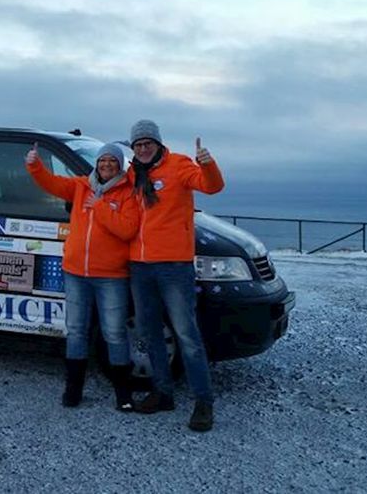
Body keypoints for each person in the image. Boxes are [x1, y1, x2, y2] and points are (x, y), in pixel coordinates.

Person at [125, 119, 224, 432]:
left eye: (147, 143)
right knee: (149, 332)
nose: (143, 149)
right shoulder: (132, 174)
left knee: (186, 335)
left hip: (174, 266)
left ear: (157, 143)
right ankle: (163, 393)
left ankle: (203, 402)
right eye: (138, 144)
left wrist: (208, 165)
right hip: (140, 266)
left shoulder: (179, 165)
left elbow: (211, 186)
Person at [26, 141, 139, 409]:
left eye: (112, 161)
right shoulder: (80, 185)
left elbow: (127, 230)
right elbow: (50, 183)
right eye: (103, 161)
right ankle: (73, 390)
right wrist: (34, 165)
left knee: (114, 333)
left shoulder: (128, 193)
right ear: (97, 164)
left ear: (120, 165)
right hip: (76, 272)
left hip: (111, 275)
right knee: (76, 331)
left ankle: (123, 394)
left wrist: (100, 207)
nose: (107, 165)